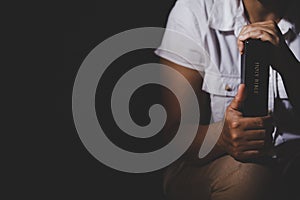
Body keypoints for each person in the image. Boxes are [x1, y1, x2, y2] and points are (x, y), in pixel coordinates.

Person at [155, 0, 300, 199]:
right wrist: (221, 138)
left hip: (292, 166)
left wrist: (289, 66)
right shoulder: (197, 9)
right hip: (212, 164)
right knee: (251, 177)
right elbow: (173, 134)